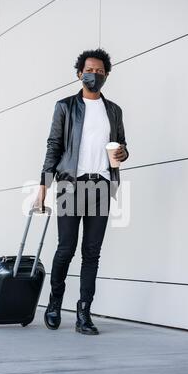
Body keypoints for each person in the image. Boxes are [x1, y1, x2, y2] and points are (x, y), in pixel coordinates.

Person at [34, 48, 129, 335]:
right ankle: (54, 303)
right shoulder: (64, 106)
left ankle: (84, 312)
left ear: (106, 75)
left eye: (100, 71)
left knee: (92, 252)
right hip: (70, 184)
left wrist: (123, 153)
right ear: (79, 73)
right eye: (90, 70)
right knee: (66, 248)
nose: (94, 75)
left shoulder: (113, 110)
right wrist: (43, 187)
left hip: (100, 184)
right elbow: (54, 146)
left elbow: (122, 144)